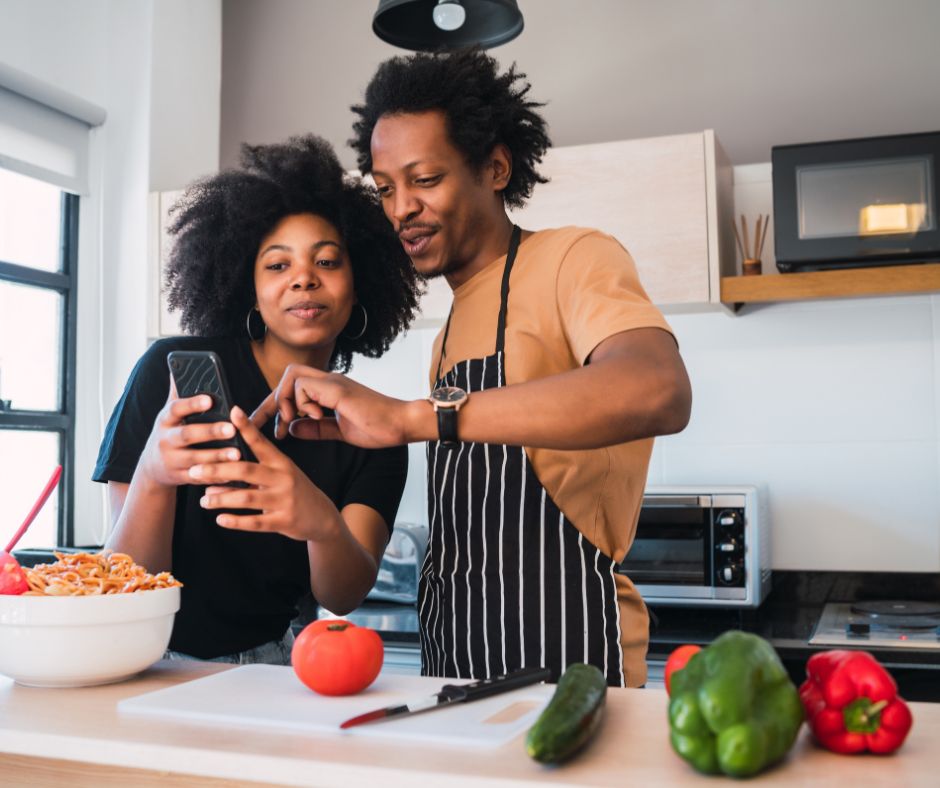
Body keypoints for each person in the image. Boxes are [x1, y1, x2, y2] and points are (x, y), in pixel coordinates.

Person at [252, 51, 692, 687]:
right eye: (384, 188)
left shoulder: (574, 258)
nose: (400, 208)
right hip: (454, 658)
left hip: (567, 656)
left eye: (424, 179)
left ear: (495, 167)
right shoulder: (452, 326)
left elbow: (659, 389)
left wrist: (410, 417)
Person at [93, 135, 421, 663]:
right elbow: (126, 578)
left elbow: (343, 594)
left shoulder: (375, 427)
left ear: (359, 286)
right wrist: (155, 474)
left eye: (328, 262)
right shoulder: (170, 374)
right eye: (277, 265)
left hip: (270, 667)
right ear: (249, 287)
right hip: (143, 661)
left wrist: (321, 522)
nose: (304, 279)